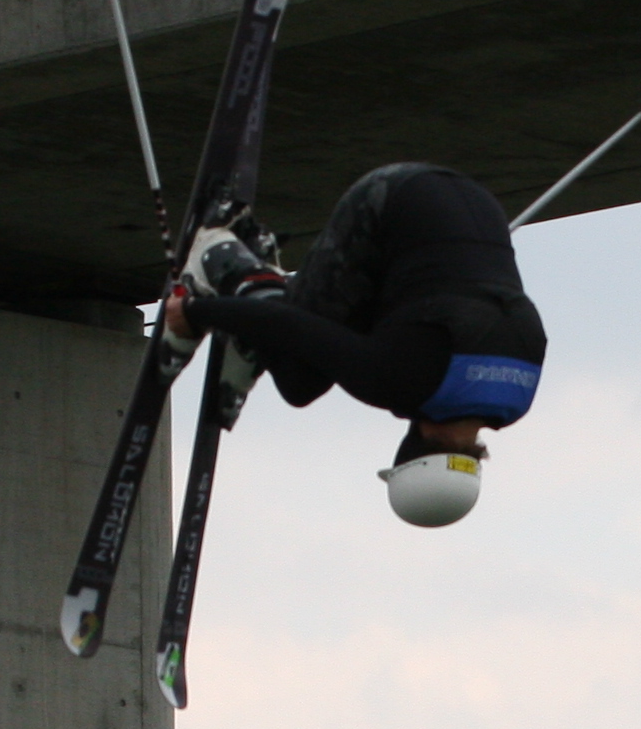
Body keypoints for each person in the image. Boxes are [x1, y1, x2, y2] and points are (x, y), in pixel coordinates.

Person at [164, 163, 546, 526]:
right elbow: (292, 327)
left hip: (479, 203)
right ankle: (219, 252)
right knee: (299, 380)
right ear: (409, 453)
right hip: (388, 200)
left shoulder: (514, 401)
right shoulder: (405, 382)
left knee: (333, 346)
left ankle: (257, 319)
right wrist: (195, 312)